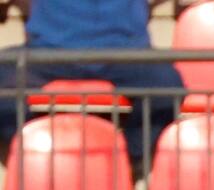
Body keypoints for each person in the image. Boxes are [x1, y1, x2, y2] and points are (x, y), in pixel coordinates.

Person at [0, 0, 184, 171]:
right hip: (48, 50)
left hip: (126, 51)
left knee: (168, 85)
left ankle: (125, 167)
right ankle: (29, 163)